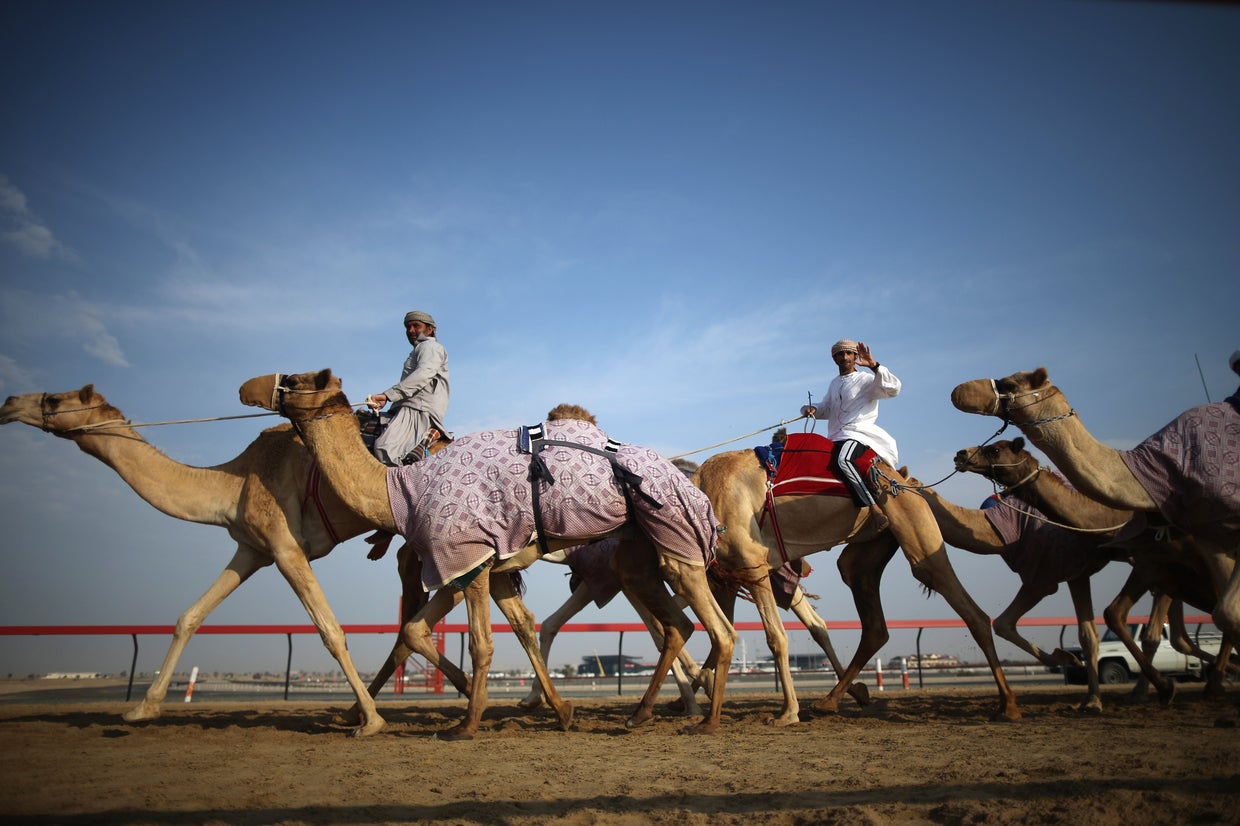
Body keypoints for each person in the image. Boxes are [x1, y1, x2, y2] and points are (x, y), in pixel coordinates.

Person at [800, 339, 901, 531]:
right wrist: (811, 409)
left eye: (848, 353)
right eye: (840, 354)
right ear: (834, 358)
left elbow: (893, 388)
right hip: (836, 436)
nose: (844, 357)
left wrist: (874, 365)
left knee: (844, 460)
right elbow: (827, 408)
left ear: (856, 357)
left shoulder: (866, 379)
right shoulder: (834, 383)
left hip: (858, 433)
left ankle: (874, 509)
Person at [367, 310, 450, 466]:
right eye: (407, 327)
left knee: (385, 449)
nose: (410, 330)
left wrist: (388, 395)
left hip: (418, 409)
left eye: (415, 326)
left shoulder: (430, 347)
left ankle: (398, 489)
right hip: (407, 407)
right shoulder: (419, 349)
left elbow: (423, 374)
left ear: (429, 329)